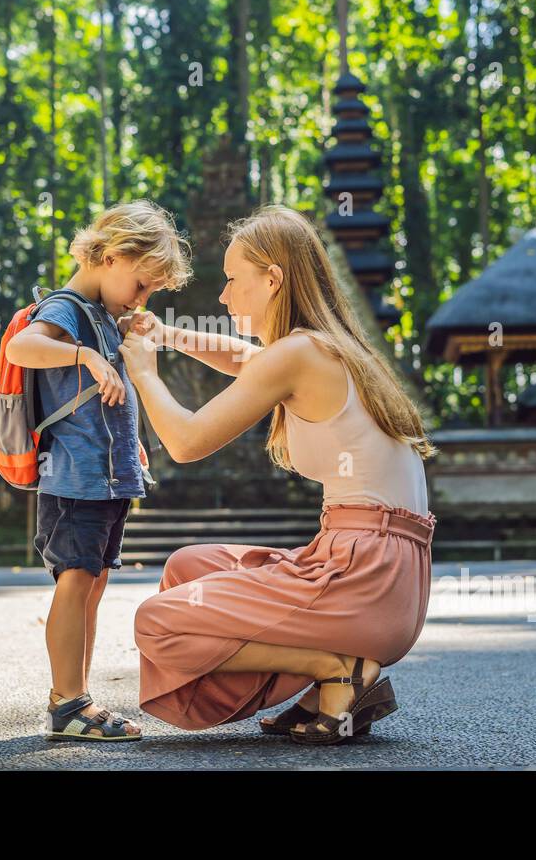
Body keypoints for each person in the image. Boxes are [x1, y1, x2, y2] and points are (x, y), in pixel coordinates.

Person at [118, 204, 437, 745]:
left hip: (365, 575)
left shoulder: (299, 353)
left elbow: (187, 441)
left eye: (232, 280)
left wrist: (144, 371)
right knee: (187, 568)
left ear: (272, 279)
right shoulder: (327, 348)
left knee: (157, 623)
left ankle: (335, 670)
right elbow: (245, 360)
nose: (222, 296)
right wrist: (168, 334)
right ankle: (335, 674)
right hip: (381, 571)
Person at [4, 200, 192, 740]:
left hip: (107, 477)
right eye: (140, 283)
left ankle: (76, 697)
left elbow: (112, 395)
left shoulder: (102, 317)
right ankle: (67, 702)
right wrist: (86, 356)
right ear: (110, 256)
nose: (142, 297)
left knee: (93, 581)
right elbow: (23, 346)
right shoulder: (65, 309)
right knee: (76, 580)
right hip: (74, 478)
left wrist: (132, 442)